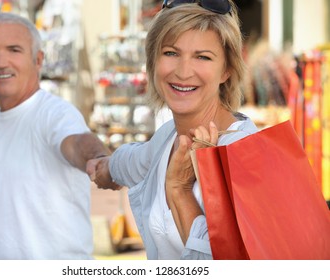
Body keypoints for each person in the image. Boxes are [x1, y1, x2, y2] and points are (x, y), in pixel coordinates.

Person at [87, 0, 259, 260]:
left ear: (227, 70)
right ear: (153, 61)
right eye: (170, 53)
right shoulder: (168, 138)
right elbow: (134, 160)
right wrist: (104, 166)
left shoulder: (246, 155)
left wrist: (179, 190)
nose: (183, 71)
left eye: (202, 57)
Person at [0, 12, 111, 260]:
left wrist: (99, 158)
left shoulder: (55, 113)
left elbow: (76, 143)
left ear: (39, 59)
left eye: (14, 50)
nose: (1, 62)